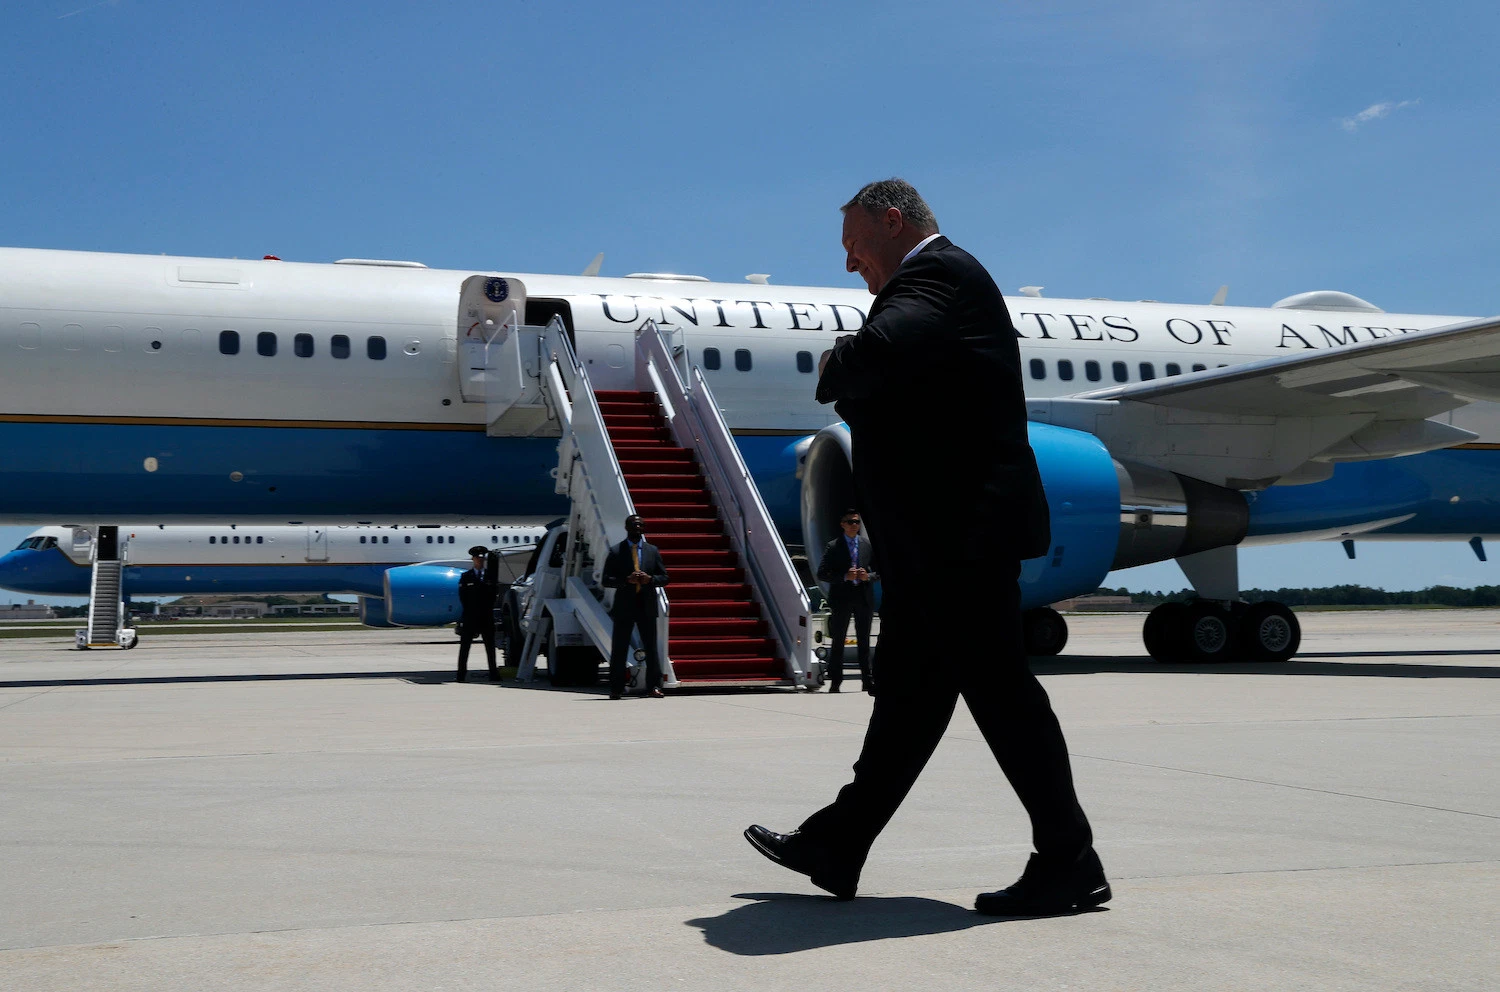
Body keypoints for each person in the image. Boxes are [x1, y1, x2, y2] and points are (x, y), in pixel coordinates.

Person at [744, 179, 1108, 916]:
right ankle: (837, 844)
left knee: (1002, 696)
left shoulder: (938, 274)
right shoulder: (930, 286)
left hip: (960, 538)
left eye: (856, 246)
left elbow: (873, 358)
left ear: (891, 220)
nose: (851, 265)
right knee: (910, 702)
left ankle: (1069, 859)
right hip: (934, 543)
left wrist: (842, 366)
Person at [600, 514, 670, 699]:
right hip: (625, 605)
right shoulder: (616, 551)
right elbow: (606, 580)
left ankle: (654, 686)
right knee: (620, 648)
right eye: (634, 525)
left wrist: (650, 579)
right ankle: (616, 688)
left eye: (640, 525)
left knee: (651, 648)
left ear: (644, 528)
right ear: (627, 527)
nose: (637, 528)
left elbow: (665, 577)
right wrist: (626, 580)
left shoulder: (652, 551)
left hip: (646, 605)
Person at [816, 509, 877, 693]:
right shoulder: (833, 546)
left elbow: (879, 571)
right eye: (850, 522)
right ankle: (836, 680)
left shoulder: (867, 545)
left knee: (864, 640)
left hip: (863, 597)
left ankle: (867, 680)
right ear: (842, 524)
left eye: (857, 522)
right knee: (838, 640)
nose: (854, 525)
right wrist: (844, 576)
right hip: (842, 598)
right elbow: (822, 573)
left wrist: (869, 576)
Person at [456, 546, 499, 682]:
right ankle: (461, 674)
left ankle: (494, 673)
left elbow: (493, 596)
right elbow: (463, 597)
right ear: (473, 559)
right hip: (470, 617)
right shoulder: (466, 576)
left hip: (486, 616)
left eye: (482, 558)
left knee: (490, 647)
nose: (480, 560)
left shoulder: (490, 576)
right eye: (477, 558)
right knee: (464, 647)